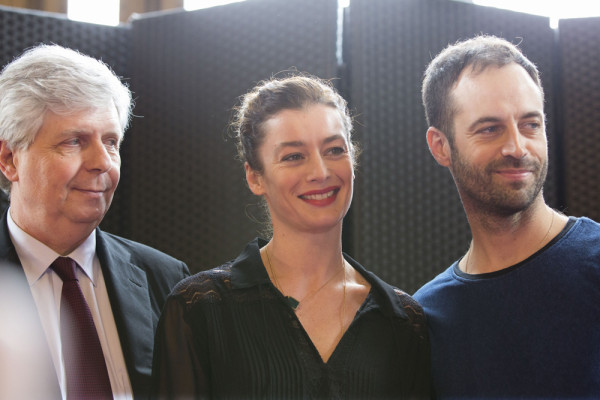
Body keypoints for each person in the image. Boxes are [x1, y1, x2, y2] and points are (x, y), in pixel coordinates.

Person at [152, 75, 431, 399]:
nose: (321, 171)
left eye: (334, 150)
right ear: (255, 177)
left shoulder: (401, 319)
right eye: (294, 156)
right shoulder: (199, 307)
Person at [413, 35, 600, 399]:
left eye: (530, 124)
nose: (517, 147)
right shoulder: (428, 317)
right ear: (441, 146)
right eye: (490, 129)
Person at [0, 44, 190, 400]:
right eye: (74, 141)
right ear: (10, 159)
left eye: (111, 142)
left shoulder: (165, 280)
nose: (103, 162)